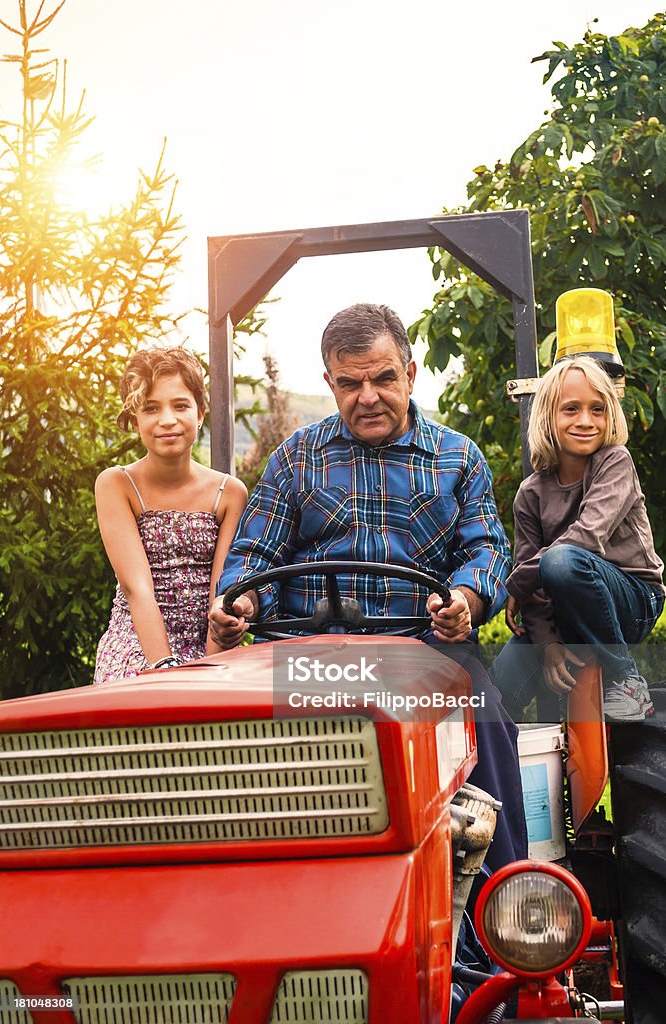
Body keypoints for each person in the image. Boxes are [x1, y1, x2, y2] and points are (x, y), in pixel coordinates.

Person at [208, 302, 527, 871]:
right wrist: (241, 601)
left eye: (382, 378)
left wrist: (464, 601)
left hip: (422, 646)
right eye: (350, 383)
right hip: (309, 648)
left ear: (410, 372)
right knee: (228, 729)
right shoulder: (296, 459)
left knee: (485, 713)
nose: (368, 396)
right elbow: (254, 553)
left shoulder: (458, 457)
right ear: (330, 383)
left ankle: (505, 903)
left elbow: (486, 552)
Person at [491, 355, 665, 723]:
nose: (586, 420)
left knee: (562, 560)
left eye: (597, 409)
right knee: (501, 680)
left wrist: (519, 582)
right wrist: (548, 644)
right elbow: (534, 596)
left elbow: (586, 537)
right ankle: (516, 764)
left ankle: (627, 680)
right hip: (565, 608)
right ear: (548, 418)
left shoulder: (615, 462)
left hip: (633, 599)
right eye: (571, 409)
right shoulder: (530, 493)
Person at [93, 347, 247, 684]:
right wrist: (164, 670)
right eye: (151, 409)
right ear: (135, 420)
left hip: (208, 646)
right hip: (138, 644)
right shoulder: (116, 484)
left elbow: (221, 590)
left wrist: (209, 669)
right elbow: (137, 588)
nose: (167, 420)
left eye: (180, 405)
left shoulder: (230, 492)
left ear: (200, 412)